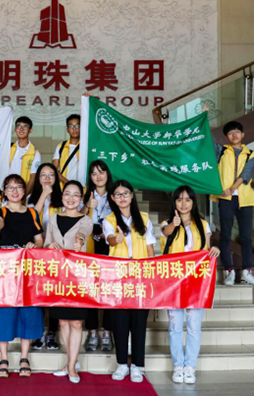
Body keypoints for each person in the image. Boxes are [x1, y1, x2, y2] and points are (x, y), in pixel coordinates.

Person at [161, 185, 221, 385]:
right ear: (174, 202)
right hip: (174, 282)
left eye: (187, 199)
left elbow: (207, 250)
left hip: (196, 282)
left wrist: (214, 250)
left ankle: (190, 366)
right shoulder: (168, 223)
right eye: (179, 199)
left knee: (194, 326)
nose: (183, 203)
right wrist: (175, 224)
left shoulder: (203, 224)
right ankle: (178, 365)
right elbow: (166, 232)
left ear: (193, 202)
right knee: (175, 326)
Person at [0, 174, 44, 378]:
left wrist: (34, 245)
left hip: (27, 267)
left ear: (24, 190)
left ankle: (24, 357)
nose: (14, 191)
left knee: (28, 309)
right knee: (3, 310)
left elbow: (39, 240)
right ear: (4, 191)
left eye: (18, 187)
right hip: (5, 268)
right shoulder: (0, 211)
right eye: (10, 187)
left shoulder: (32, 212)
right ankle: (3, 358)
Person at [102, 180, 156, 383]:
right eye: (118, 194)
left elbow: (150, 249)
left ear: (132, 196)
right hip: (119, 276)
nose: (122, 197)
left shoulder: (144, 218)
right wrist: (115, 239)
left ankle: (138, 366)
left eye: (125, 193)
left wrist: (151, 274)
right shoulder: (108, 220)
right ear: (113, 198)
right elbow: (110, 239)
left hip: (141, 276)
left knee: (139, 322)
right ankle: (122, 364)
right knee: (120, 322)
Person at [46, 181, 93, 384]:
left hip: (78, 277)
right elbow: (46, 243)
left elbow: (83, 233)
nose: (71, 198)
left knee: (76, 321)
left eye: (76, 195)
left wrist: (79, 241)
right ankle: (70, 361)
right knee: (63, 321)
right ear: (62, 196)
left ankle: (72, 366)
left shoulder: (86, 219)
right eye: (67, 194)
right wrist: (50, 245)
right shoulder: (53, 218)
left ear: (81, 199)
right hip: (58, 277)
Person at [211, 120, 254, 286]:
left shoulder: (251, 154)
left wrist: (231, 188)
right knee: (225, 235)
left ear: (242, 134)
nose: (234, 135)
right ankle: (229, 271)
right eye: (230, 133)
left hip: (245, 200)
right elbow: (207, 141)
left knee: (246, 237)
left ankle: (246, 272)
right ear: (226, 137)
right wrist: (204, 117)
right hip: (226, 199)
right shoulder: (221, 151)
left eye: (237, 132)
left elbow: (246, 174)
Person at [27, 162, 63, 351]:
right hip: (37, 252)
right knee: (39, 293)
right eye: (43, 175)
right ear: (38, 178)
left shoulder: (63, 199)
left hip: (58, 253)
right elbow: (31, 219)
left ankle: (52, 333)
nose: (47, 178)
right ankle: (38, 332)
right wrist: (43, 195)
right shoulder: (29, 200)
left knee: (54, 293)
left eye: (51, 175)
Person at [81, 160, 114, 352]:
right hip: (89, 244)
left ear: (107, 174)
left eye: (101, 172)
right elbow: (77, 217)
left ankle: (107, 332)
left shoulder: (115, 193)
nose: (98, 176)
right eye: (94, 173)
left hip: (110, 244)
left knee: (109, 288)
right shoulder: (86, 194)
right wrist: (87, 205)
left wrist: (107, 234)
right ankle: (92, 331)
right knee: (90, 288)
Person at [9, 116, 41, 195]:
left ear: (30, 130)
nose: (21, 129)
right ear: (15, 129)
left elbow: (33, 178)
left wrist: (23, 196)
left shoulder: (35, 153)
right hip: (8, 194)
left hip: (25, 196)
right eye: (18, 126)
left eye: (25, 127)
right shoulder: (9, 149)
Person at [52, 114, 81, 183]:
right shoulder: (61, 146)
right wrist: (67, 183)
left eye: (77, 126)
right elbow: (53, 169)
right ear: (67, 129)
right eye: (71, 126)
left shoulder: (86, 147)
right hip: (64, 187)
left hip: (83, 187)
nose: (74, 129)